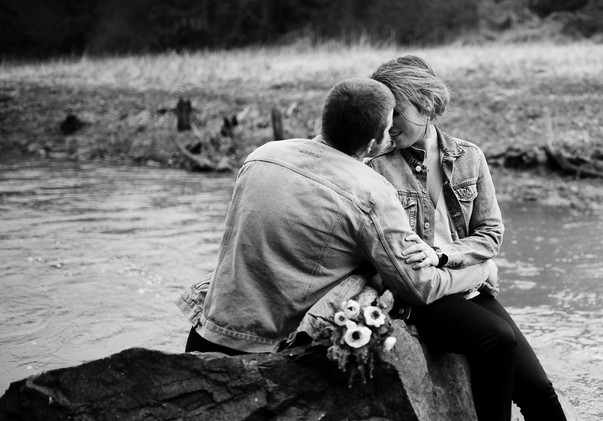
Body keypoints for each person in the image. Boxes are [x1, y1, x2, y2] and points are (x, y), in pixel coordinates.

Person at [367, 56, 603, 421]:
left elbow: (491, 234)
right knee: (495, 341)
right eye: (385, 115)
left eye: (400, 114)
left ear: (429, 106)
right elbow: (394, 258)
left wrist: (451, 256)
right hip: (423, 296)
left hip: (466, 283)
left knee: (539, 388)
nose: (390, 126)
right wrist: (453, 266)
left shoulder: (470, 159)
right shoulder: (375, 167)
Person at [178, 77, 494, 355]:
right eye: (387, 129)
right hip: (267, 347)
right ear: (373, 143)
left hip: (209, 328)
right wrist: (481, 271)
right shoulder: (372, 191)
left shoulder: (262, 156)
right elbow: (419, 287)